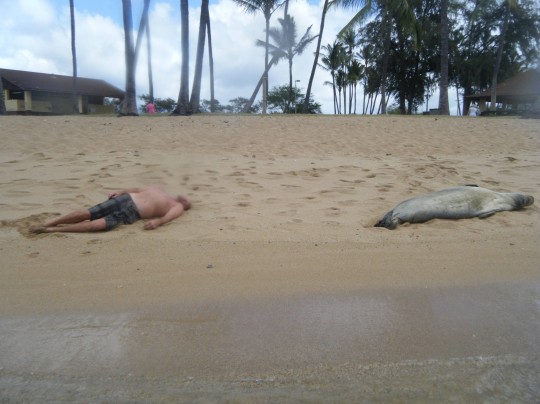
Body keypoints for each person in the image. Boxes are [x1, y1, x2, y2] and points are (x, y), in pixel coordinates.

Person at [31, 186, 191, 233]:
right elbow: (136, 188)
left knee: (99, 225)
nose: (186, 198)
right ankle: (50, 222)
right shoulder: (159, 189)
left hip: (132, 212)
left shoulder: (177, 206)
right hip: (126, 198)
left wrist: (158, 222)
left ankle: (53, 230)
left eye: (188, 201)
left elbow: (170, 216)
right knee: (88, 213)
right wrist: (119, 192)